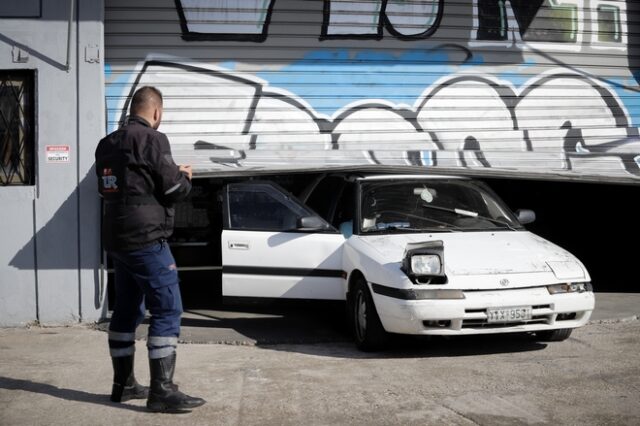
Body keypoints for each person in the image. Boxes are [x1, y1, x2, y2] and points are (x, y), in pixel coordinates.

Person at [95, 86, 205, 413]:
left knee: (127, 310)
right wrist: (184, 177)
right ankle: (161, 391)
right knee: (168, 308)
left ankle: (123, 385)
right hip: (146, 237)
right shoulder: (154, 140)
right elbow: (172, 189)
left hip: (117, 237)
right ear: (156, 112)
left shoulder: (107, 143)